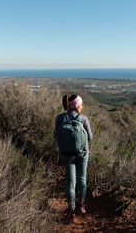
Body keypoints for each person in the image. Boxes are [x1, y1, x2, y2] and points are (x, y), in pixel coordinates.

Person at [54, 94, 93, 223]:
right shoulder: (84, 119)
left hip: (67, 154)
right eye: (81, 105)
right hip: (82, 154)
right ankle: (81, 204)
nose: (82, 107)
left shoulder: (60, 118)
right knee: (82, 179)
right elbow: (90, 137)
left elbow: (56, 135)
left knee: (70, 182)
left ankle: (71, 209)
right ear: (77, 106)